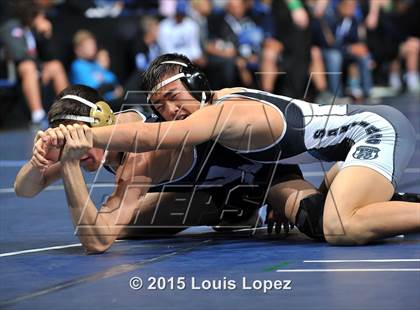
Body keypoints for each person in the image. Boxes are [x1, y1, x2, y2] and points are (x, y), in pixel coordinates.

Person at [48, 53, 419, 246]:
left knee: (339, 226)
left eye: (174, 98)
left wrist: (87, 136)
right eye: (159, 106)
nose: (169, 111)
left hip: (372, 129)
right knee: (320, 217)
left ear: (196, 85)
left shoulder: (224, 111)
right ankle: (387, 198)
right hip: (341, 150)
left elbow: (163, 136)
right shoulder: (206, 115)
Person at [16, 84, 311, 253]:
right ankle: (236, 212)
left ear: (102, 125)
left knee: (317, 219)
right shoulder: (93, 141)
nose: (77, 152)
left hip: (269, 172)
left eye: (80, 141)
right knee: (124, 227)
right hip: (219, 190)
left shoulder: (139, 156)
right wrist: (39, 159)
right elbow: (25, 189)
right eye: (71, 144)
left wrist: (67, 164)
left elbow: (96, 241)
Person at [0, 0, 68, 126]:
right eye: (41, 15)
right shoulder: (12, 27)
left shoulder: (31, 30)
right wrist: (39, 68)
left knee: (55, 66)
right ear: (33, 14)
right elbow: (18, 54)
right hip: (14, 71)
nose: (43, 19)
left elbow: (48, 56)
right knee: (28, 66)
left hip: (34, 68)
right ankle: (37, 115)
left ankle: (66, 110)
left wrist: (45, 36)